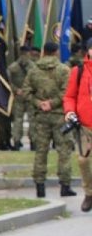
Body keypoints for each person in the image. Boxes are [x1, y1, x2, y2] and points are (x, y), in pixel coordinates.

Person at [24, 43, 76, 198]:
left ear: (44, 52)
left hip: (41, 117)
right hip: (60, 116)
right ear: (56, 52)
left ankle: (40, 186)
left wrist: (39, 103)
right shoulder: (64, 70)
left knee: (41, 151)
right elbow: (67, 91)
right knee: (64, 151)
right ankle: (65, 186)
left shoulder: (33, 70)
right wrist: (52, 103)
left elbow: (26, 92)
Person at [63, 39, 92, 211]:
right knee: (83, 161)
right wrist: (69, 112)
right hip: (84, 126)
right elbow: (69, 96)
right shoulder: (78, 71)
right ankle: (89, 193)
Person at [9, 45, 39, 150]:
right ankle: (34, 142)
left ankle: (16, 141)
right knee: (33, 120)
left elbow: (8, 81)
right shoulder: (34, 67)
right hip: (30, 95)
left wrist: (16, 89)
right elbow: (37, 81)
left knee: (18, 119)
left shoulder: (13, 66)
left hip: (18, 96)